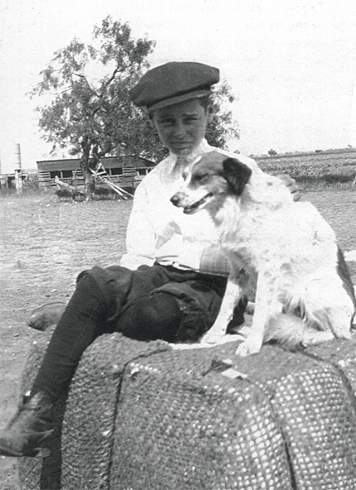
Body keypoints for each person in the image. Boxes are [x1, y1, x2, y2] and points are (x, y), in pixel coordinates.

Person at [0, 61, 300, 457]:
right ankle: (35, 413)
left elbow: (267, 236)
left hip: (214, 284)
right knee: (96, 283)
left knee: (150, 317)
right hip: (161, 272)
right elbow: (139, 253)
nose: (178, 132)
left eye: (189, 119)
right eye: (165, 122)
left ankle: (79, 317)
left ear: (209, 112)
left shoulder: (236, 169)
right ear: (153, 123)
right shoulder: (153, 181)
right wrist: (116, 287)